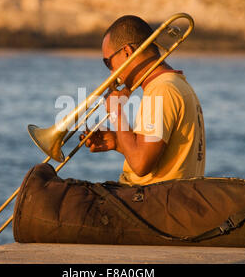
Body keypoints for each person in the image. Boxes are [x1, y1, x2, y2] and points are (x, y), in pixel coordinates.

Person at [81, 15, 205, 186]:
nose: (111, 73)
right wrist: (118, 142)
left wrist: (116, 113)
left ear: (127, 52)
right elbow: (158, 153)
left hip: (150, 203)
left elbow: (140, 164)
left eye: (108, 63)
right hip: (166, 198)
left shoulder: (161, 89)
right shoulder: (176, 84)